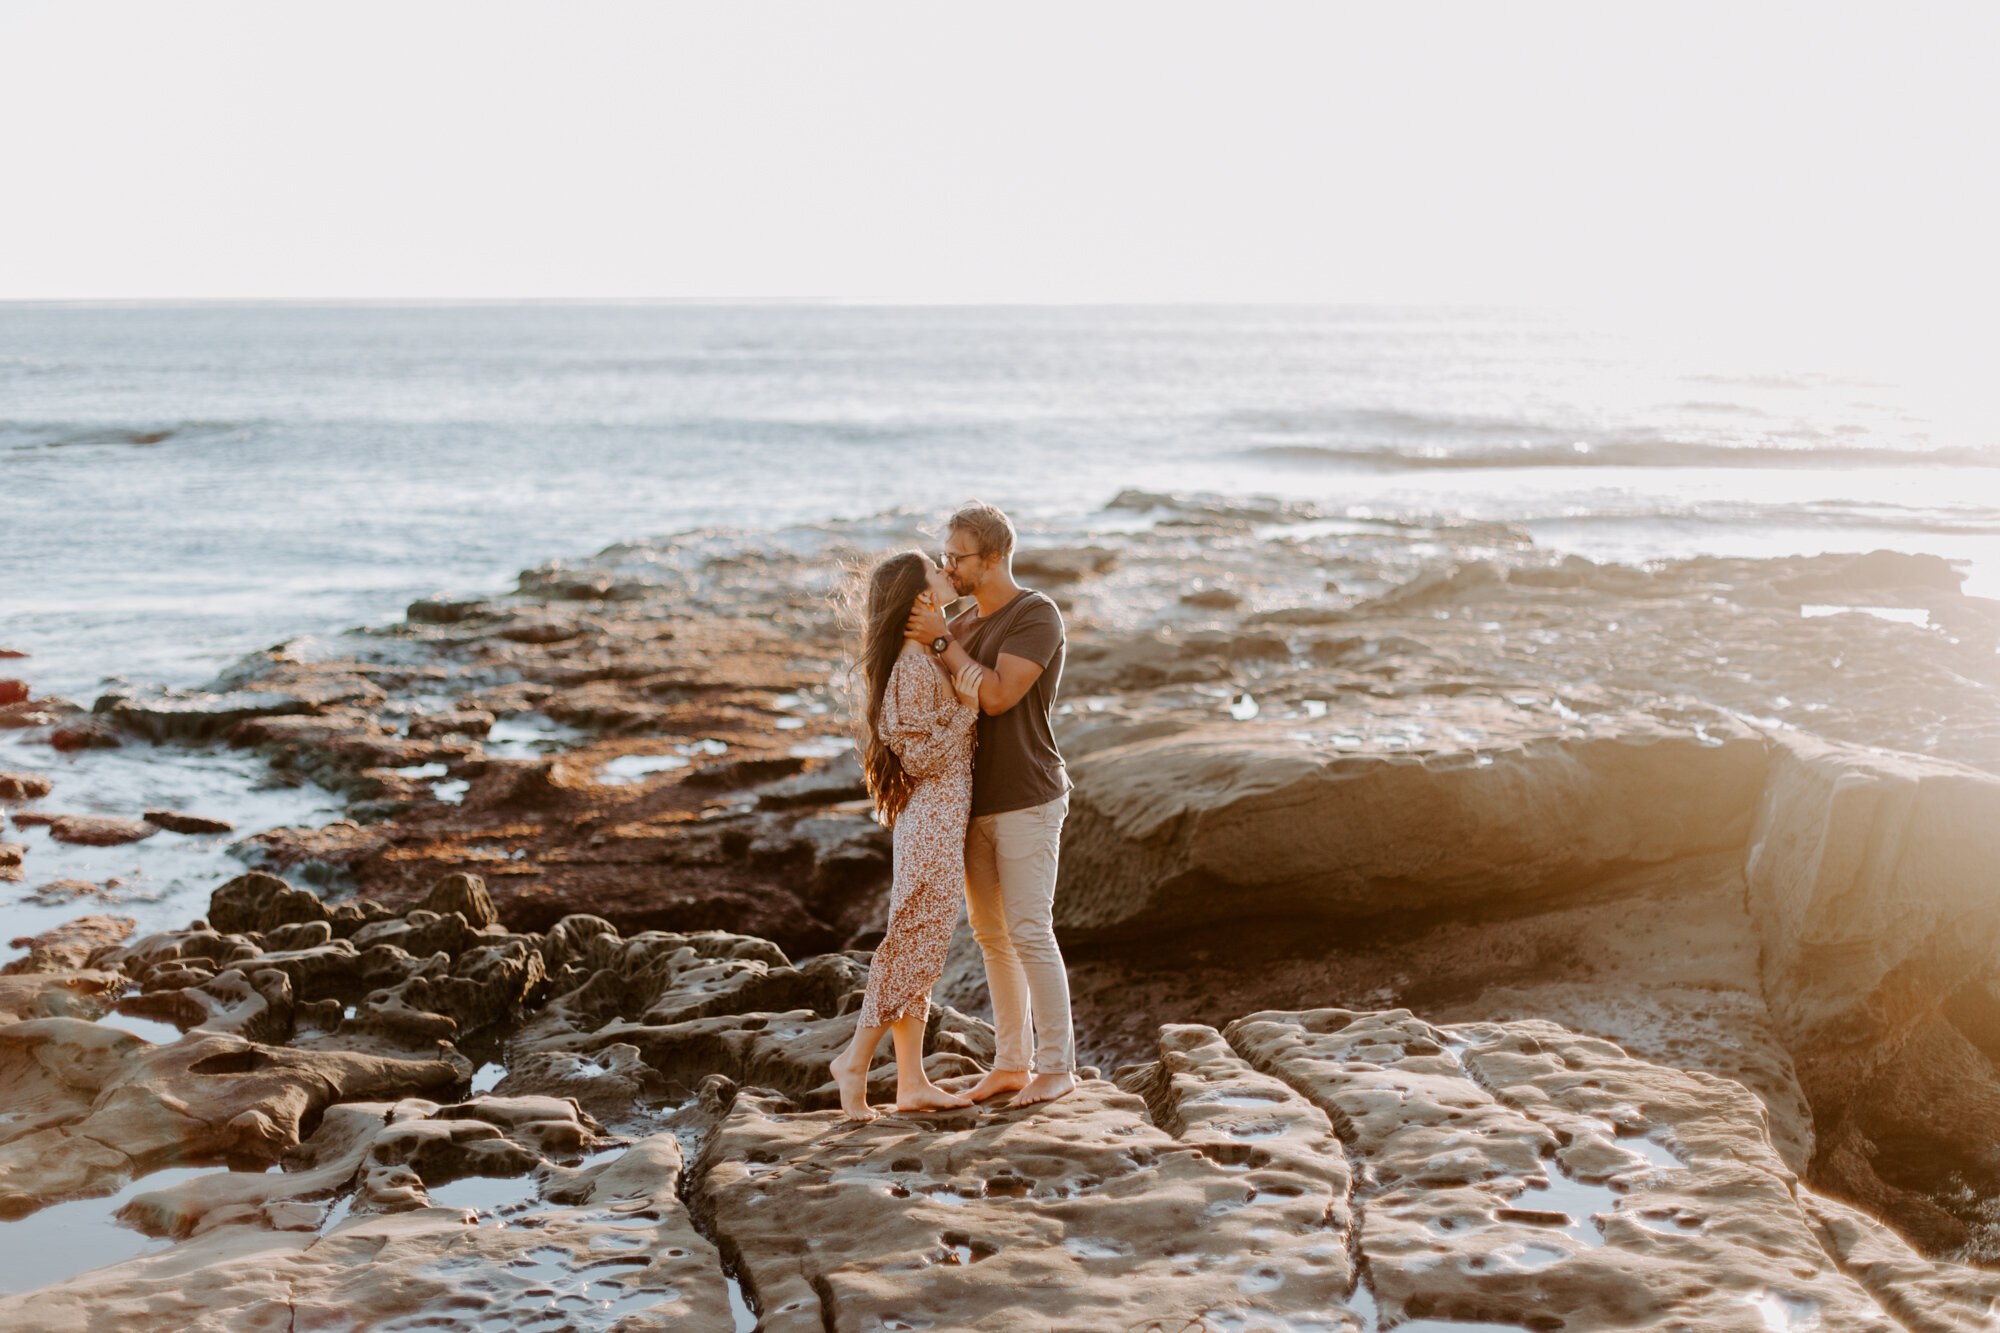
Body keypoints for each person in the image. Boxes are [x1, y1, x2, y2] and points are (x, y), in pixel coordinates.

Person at [905, 501, 1076, 1108]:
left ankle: (1057, 1068)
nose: (948, 566)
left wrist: (944, 641)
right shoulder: (963, 619)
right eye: (944, 556)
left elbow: (999, 696)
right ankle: (1011, 1064)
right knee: (991, 936)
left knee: (1030, 931)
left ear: (996, 556)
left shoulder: (1036, 614)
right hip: (971, 802)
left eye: (958, 556)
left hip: (1027, 797)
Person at [829, 550, 981, 1121]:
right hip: (930, 826)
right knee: (908, 948)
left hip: (939, 822)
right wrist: (967, 710)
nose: (950, 574)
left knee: (922, 950)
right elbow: (918, 755)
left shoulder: (923, 657)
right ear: (921, 597)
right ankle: (855, 1060)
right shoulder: (913, 667)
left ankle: (912, 1081)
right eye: (939, 572)